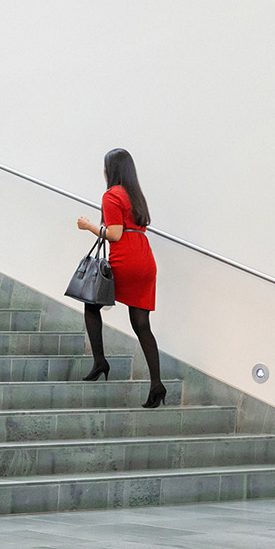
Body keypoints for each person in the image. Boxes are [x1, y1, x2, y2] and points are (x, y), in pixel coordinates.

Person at [74, 148, 166, 408]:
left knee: (91, 303)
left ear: (110, 170)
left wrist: (88, 225)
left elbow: (114, 234)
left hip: (125, 258)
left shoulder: (112, 195)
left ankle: (100, 361)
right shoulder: (137, 196)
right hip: (145, 259)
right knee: (141, 325)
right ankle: (157, 385)